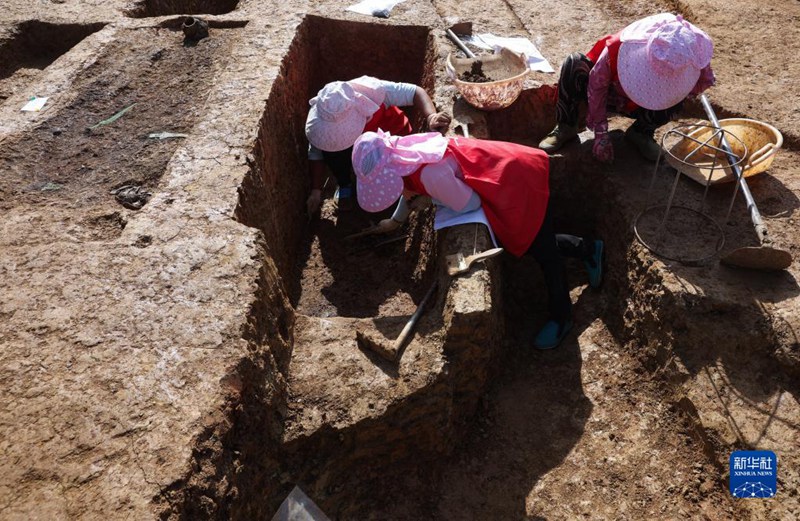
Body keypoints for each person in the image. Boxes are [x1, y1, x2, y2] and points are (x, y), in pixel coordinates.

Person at [351, 130, 604, 349]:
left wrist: (434, 199)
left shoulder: (431, 175)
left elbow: (470, 203)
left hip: (512, 179)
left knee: (540, 248)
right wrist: (396, 221)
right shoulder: (403, 151)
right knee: (537, 242)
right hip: (504, 166)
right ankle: (589, 249)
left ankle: (562, 316)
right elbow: (408, 188)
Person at [538, 13, 715, 162]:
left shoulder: (691, 49)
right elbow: (597, 86)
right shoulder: (619, 47)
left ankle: (641, 132)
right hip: (612, 92)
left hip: (643, 107)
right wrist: (600, 133)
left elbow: (701, 82)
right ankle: (566, 125)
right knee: (574, 63)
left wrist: (674, 91)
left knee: (678, 97)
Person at [304, 76, 450, 214]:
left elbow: (415, 92)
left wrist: (431, 116)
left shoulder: (372, 91)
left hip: (392, 140)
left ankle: (398, 187)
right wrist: (316, 191)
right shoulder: (324, 113)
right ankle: (345, 184)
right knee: (332, 152)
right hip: (358, 148)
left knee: (400, 172)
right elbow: (316, 151)